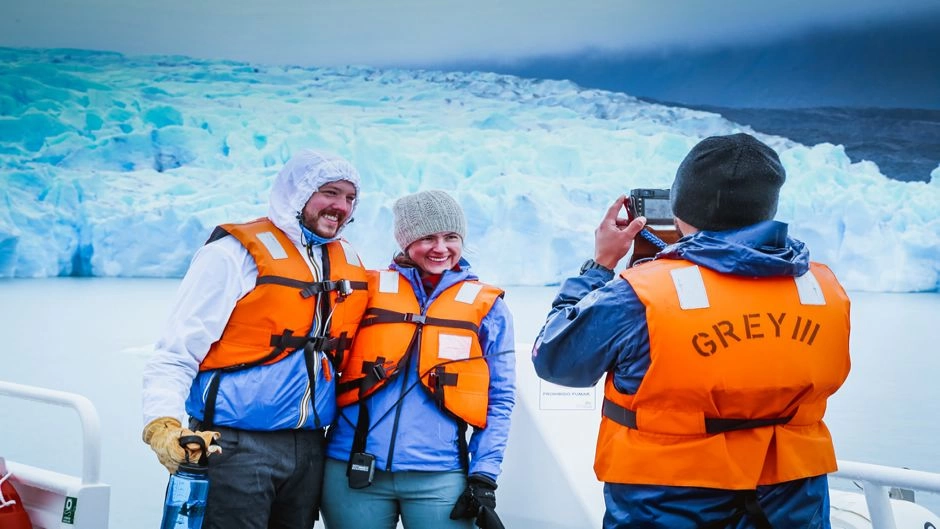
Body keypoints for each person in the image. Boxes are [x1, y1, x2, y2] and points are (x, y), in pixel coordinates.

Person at [532, 133, 852, 529]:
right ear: (767, 207)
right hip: (791, 505)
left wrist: (600, 267)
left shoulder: (639, 295)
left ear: (681, 207)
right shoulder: (822, 288)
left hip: (667, 505)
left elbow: (556, 359)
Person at [141, 149, 370, 529]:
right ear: (298, 192)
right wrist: (162, 423)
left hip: (309, 447)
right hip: (232, 446)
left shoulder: (349, 260)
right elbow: (175, 352)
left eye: (350, 198)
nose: (341, 206)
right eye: (330, 192)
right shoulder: (233, 254)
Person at [320, 190, 516, 529]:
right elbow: (323, 364)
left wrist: (484, 474)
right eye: (427, 237)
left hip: (440, 477)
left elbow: (500, 398)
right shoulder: (367, 289)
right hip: (352, 470)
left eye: (451, 237)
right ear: (406, 241)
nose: (441, 248)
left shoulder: (489, 307)